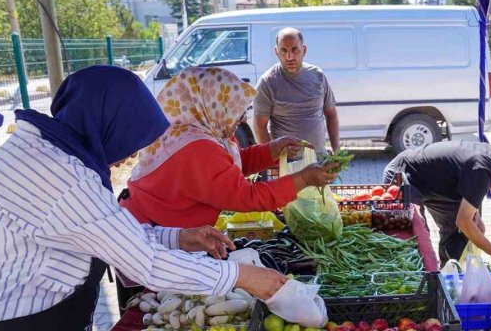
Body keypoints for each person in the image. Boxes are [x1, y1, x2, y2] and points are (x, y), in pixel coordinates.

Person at [0, 66, 288, 331]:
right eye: (132, 142)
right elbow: (145, 264)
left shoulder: (47, 154)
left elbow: (101, 232)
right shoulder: (61, 177)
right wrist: (241, 275)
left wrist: (178, 236)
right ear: (107, 123)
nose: (131, 156)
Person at [121, 67, 338, 229]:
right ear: (211, 106)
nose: (241, 118)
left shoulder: (198, 132)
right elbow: (246, 197)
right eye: (235, 110)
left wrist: (273, 149)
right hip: (151, 232)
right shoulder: (196, 147)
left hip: (160, 224)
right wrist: (304, 179)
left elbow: (225, 171)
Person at [382, 141, 491, 264]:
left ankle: (449, 276)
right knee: (417, 239)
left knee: (458, 237)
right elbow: (464, 221)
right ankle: (424, 283)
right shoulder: (482, 168)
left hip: (436, 184)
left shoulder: (490, 161)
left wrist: (474, 214)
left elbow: (469, 180)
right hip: (404, 173)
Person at [252, 28, 339, 156]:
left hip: (320, 161)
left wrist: (336, 152)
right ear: (276, 52)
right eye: (284, 50)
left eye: (294, 50)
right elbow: (259, 126)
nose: (289, 57)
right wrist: (272, 161)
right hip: (288, 165)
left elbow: (331, 113)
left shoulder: (317, 76)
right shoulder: (267, 82)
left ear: (304, 50)